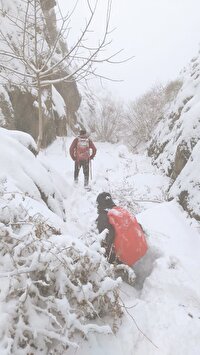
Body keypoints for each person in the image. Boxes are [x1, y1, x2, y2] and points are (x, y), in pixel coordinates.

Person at [96, 192, 148, 266]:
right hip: (141, 250)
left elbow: (106, 238)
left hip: (126, 258)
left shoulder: (103, 217)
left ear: (99, 204)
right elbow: (138, 226)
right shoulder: (121, 211)